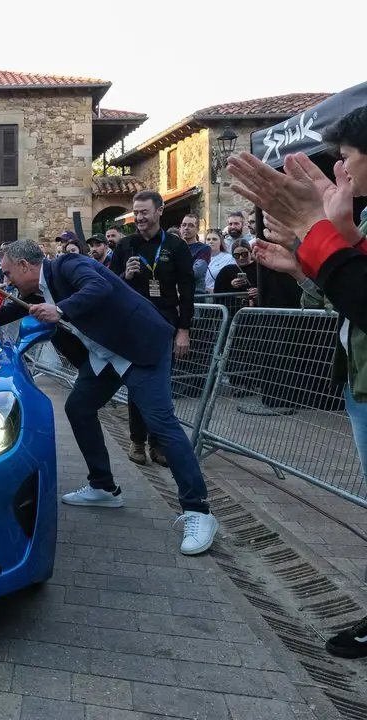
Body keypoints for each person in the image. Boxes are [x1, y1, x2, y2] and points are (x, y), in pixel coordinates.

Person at [225, 109, 367, 659]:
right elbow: (347, 294)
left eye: (348, 157)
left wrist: (317, 230)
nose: (343, 171)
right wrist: (304, 264)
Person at [0, 240, 217, 555]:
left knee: (160, 422)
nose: (7, 282)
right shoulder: (34, 290)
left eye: (8, 274)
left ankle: (199, 510)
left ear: (24, 265)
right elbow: (1, 311)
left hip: (142, 348)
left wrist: (59, 309)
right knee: (78, 408)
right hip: (108, 359)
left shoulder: (68, 265)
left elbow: (98, 286)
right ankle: (104, 487)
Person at [111, 191, 195, 467]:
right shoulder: (125, 246)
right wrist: (126, 275)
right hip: (133, 324)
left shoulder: (176, 246)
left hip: (165, 323)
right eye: (136, 212)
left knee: (160, 387)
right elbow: (109, 286)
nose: (140, 218)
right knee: (136, 385)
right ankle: (137, 441)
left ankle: (158, 445)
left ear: (159, 211)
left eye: (145, 212)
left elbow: (188, 291)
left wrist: (183, 330)